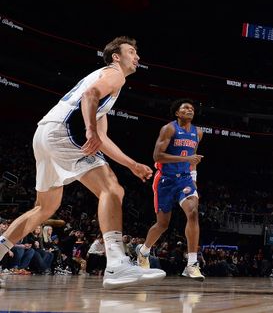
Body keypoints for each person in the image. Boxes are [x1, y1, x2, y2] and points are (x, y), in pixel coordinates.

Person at [0, 37, 166, 288]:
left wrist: (132, 164)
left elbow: (104, 138)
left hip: (44, 133)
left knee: (44, 207)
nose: (137, 57)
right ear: (116, 57)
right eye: (132, 52)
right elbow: (91, 97)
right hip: (64, 131)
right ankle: (117, 264)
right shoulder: (115, 74)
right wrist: (88, 129)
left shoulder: (103, 82)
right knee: (111, 188)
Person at [136, 99, 204, 280]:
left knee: (193, 212)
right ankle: (143, 251)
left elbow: (193, 159)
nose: (190, 110)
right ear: (177, 113)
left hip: (185, 179)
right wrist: (185, 159)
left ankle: (191, 264)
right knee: (163, 225)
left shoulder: (198, 132)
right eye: (185, 108)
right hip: (165, 179)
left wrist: (194, 178)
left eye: (192, 108)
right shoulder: (169, 129)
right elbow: (157, 156)